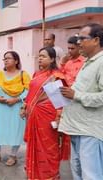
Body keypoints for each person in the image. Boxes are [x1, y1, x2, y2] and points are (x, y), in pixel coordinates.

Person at [59, 23, 103, 180]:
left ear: (96, 40)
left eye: (82, 39)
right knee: (78, 172)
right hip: (76, 128)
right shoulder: (89, 61)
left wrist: (76, 95)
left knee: (91, 175)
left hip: (90, 131)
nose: (78, 43)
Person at [21, 47, 70, 179]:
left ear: (52, 59)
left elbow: (60, 102)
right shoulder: (37, 74)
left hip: (48, 118)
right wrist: (24, 106)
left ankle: (50, 175)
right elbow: (30, 95)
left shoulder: (55, 76)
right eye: (39, 56)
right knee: (34, 145)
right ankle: (34, 173)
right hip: (33, 116)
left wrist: (59, 117)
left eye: (44, 56)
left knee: (48, 147)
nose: (40, 58)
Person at [0, 51, 31, 166]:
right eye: (4, 59)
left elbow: (28, 91)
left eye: (9, 58)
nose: (6, 60)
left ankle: (13, 155)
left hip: (16, 107)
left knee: (16, 131)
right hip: (1, 107)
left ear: (16, 61)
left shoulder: (24, 75)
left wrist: (16, 99)